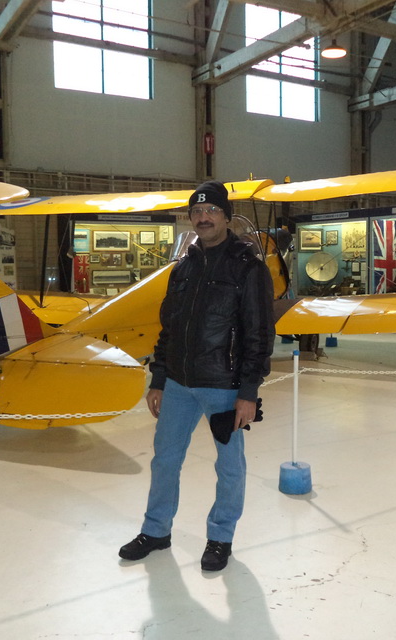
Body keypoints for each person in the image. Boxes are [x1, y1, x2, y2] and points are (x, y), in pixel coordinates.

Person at [119, 181, 275, 572]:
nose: (204, 218)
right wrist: (158, 378)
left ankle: (220, 538)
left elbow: (259, 334)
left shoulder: (248, 268)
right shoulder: (183, 268)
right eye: (197, 212)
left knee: (229, 467)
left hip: (224, 387)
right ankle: (156, 531)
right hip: (178, 384)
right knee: (164, 461)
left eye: (212, 211)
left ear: (226, 217)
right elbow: (169, 328)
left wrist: (248, 392)